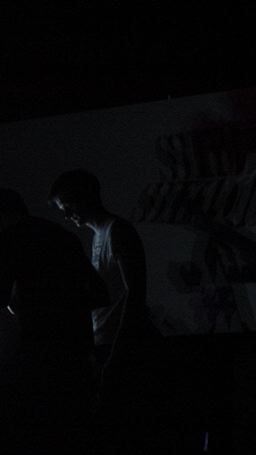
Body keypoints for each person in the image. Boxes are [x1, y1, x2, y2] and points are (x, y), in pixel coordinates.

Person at [49, 169, 163, 452]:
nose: (67, 215)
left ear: (85, 197)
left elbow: (135, 294)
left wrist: (118, 351)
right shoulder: (99, 235)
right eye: (63, 209)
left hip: (121, 347)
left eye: (68, 206)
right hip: (107, 344)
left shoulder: (118, 231)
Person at [0, 188, 109, 453]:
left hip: (39, 354)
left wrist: (26, 304)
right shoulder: (62, 236)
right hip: (77, 352)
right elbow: (98, 293)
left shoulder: (11, 240)